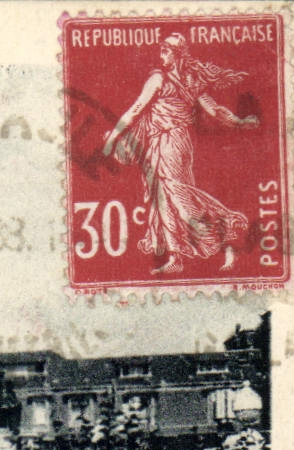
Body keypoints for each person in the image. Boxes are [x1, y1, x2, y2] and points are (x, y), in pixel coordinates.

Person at [101, 34, 260, 274]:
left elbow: (135, 110)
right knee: (164, 199)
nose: (161, 56)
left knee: (179, 200)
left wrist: (111, 140)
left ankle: (225, 237)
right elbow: (215, 110)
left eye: (165, 51)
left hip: (171, 143)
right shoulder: (189, 80)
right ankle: (175, 258)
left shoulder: (161, 79)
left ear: (177, 54)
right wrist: (238, 121)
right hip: (167, 143)